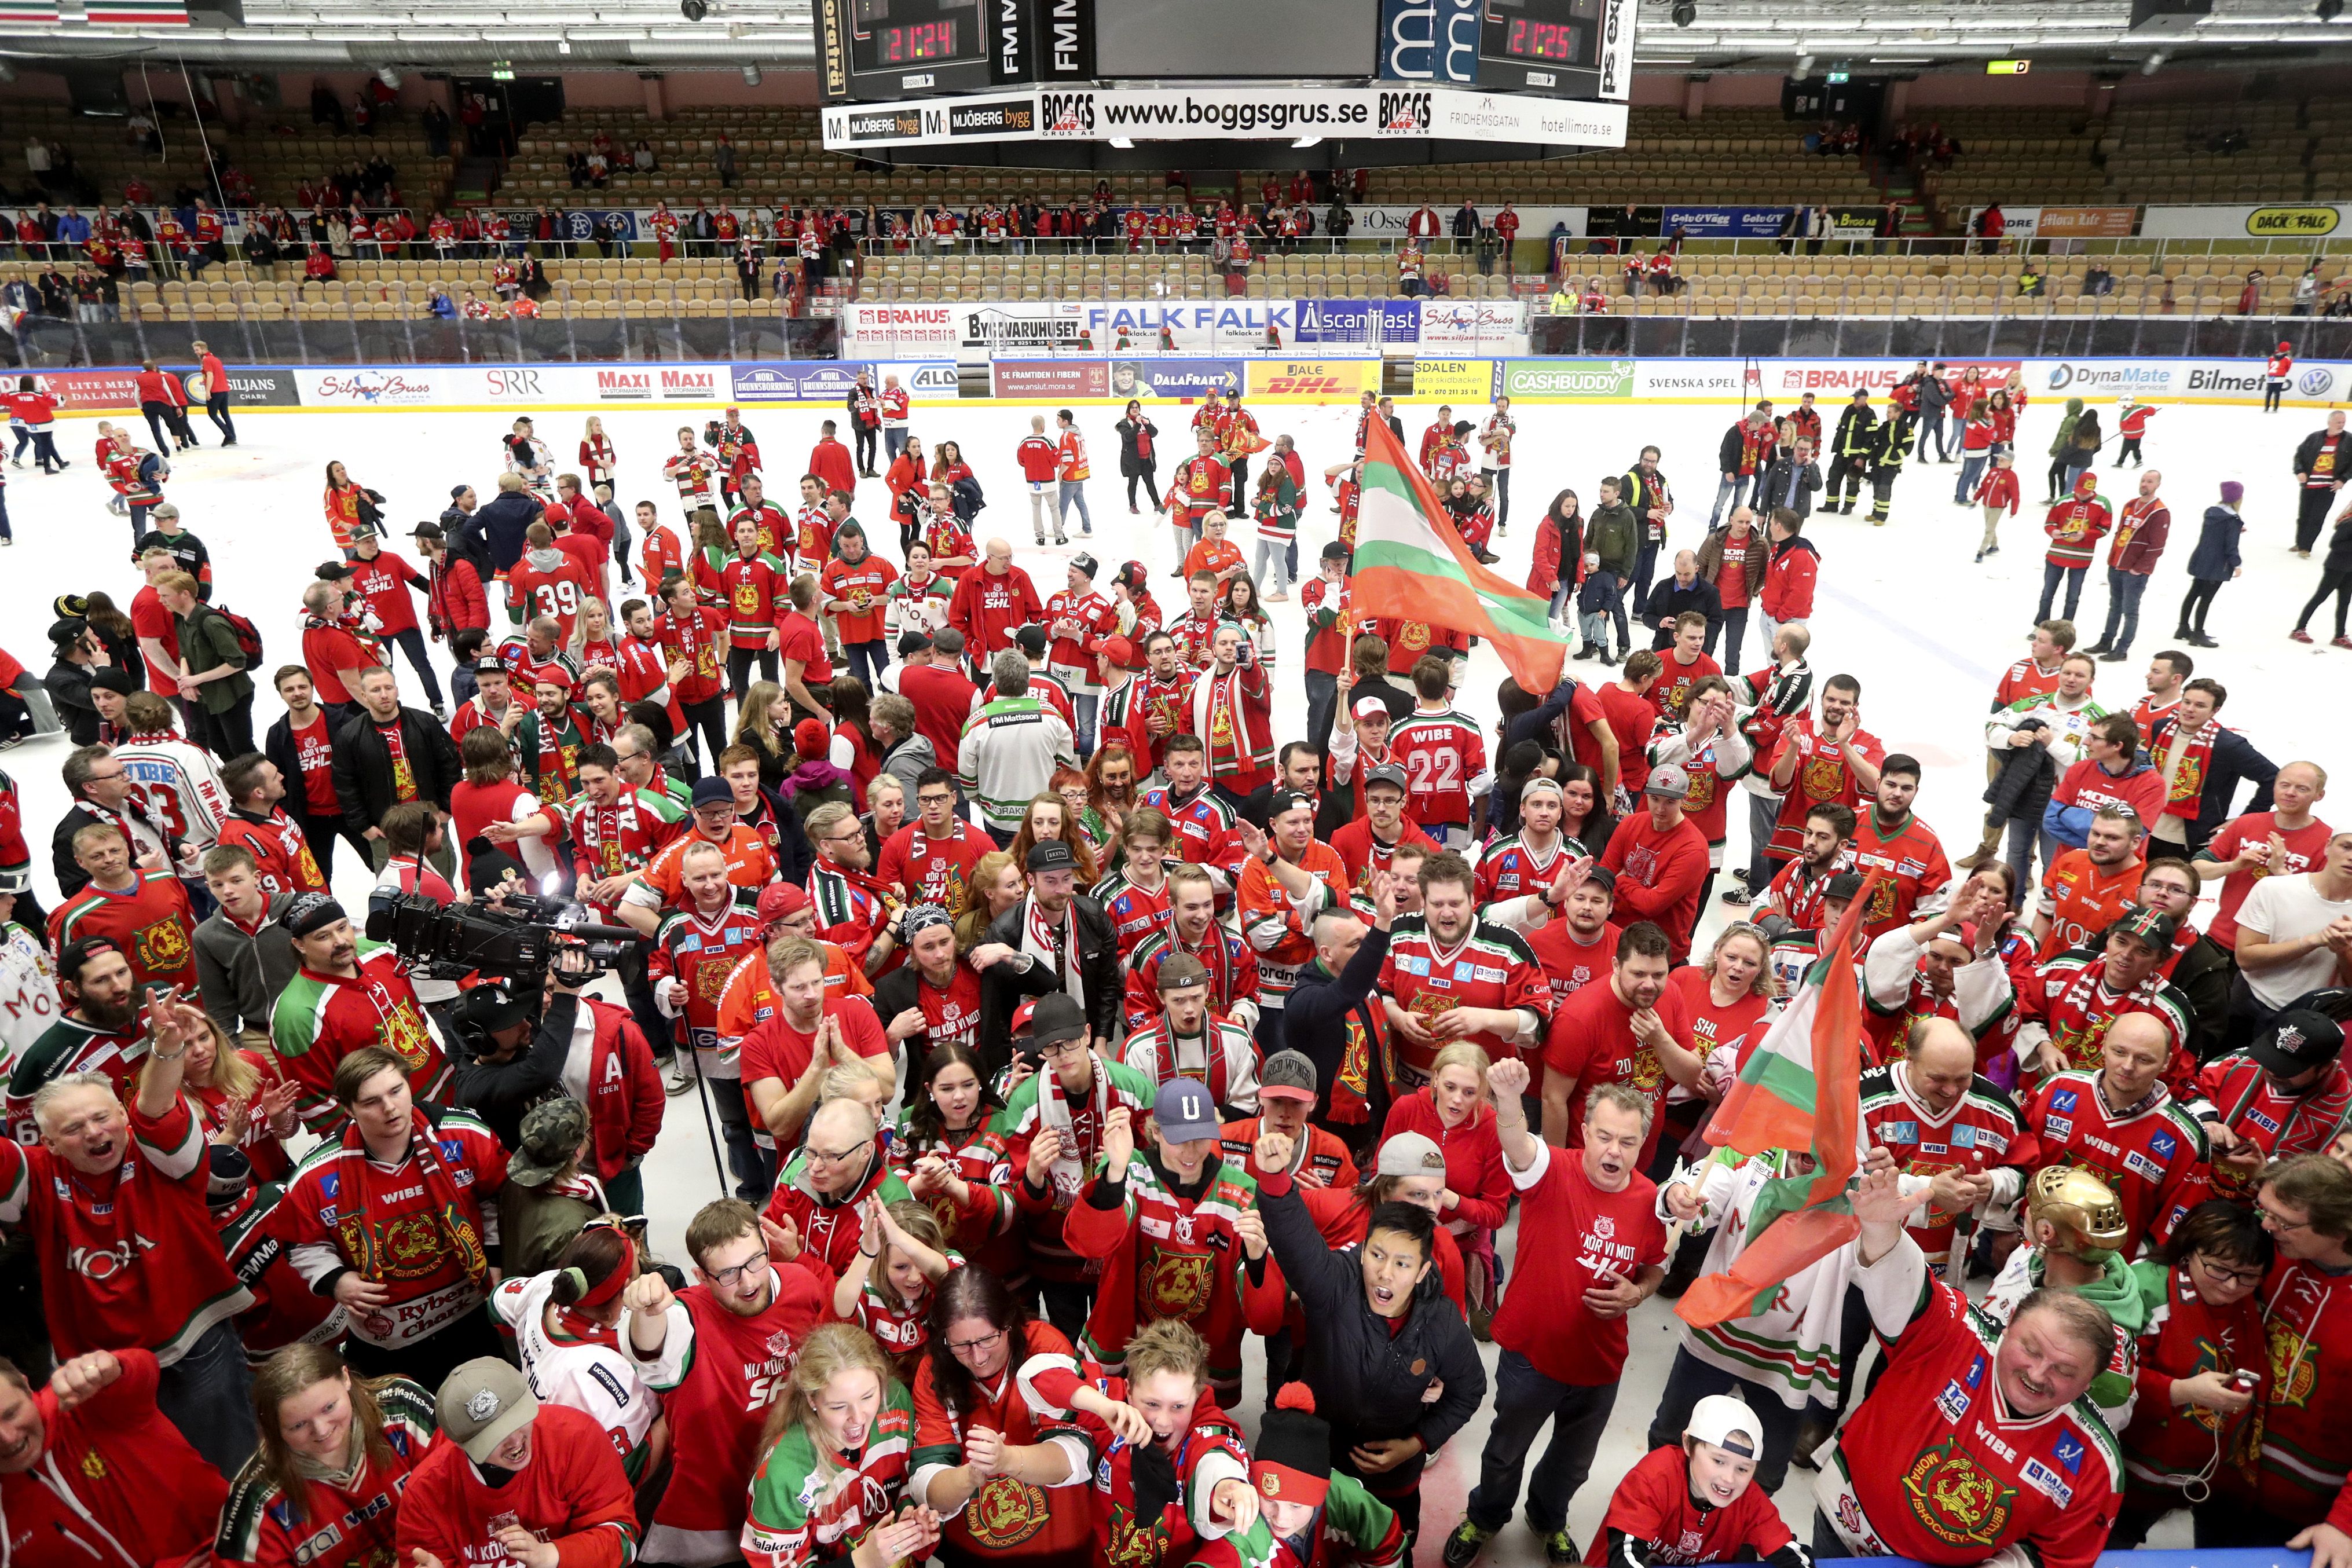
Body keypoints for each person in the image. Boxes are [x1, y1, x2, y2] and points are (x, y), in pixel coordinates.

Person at [0, 988, 260, 1477]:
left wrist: (166, 1046)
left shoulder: (160, 1153)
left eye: (102, 1117)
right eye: (74, 1129)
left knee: (234, 1470)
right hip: (103, 1366)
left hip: (194, 1343)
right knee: (155, 1476)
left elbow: (157, 1107)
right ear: (50, 1143)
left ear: (123, 1115)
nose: (95, 1133)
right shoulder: (36, 1174)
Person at [1446, 1067, 1666, 1568]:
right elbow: (1518, 1144)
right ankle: (1485, 1516)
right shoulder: (1550, 1170)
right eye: (1605, 1136)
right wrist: (1506, 1098)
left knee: (1571, 1465)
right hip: (1532, 1357)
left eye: (1627, 1142)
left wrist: (1637, 1292)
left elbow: (1655, 1267)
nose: (1614, 1151)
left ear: (1642, 1145)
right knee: (1505, 1451)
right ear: (1584, 1131)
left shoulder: (1651, 1200)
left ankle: (1548, 1521)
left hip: (1599, 1366)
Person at [1252, 1122, 1484, 1547]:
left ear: (1423, 1272)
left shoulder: (1443, 1321)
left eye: (1402, 1263)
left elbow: (1468, 1391)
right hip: (1321, 1455)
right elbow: (1295, 1239)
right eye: (1376, 1255)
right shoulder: (1336, 1283)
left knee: (1391, 1543)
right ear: (1362, 1253)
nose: (1384, 1271)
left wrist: (1416, 1444)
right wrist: (1274, 1178)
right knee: (1313, 1541)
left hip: (1394, 1476)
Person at [624, 1198, 830, 1566]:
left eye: (755, 1261)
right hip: (713, 1529)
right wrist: (648, 1311)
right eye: (729, 1273)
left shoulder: (803, 1285)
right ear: (702, 1276)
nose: (749, 1282)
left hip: (795, 1502)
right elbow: (650, 1347)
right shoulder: (686, 1317)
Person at [394, 1357, 640, 1568]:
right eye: (494, 1437)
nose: (515, 1441)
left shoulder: (576, 1436)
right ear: (461, 1444)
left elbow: (623, 1541)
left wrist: (551, 1555)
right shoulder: (425, 1494)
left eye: (517, 1420)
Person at [0, 1347, 230, 1566]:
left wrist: (112, 1367)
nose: (8, 1438)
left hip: (236, 1550)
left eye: (11, 1414)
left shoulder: (82, 1401)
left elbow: (141, 1371)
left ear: (27, 1388)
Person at [216, 1344, 438, 1568]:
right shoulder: (255, 1501)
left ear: (345, 1378)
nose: (321, 1431)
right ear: (271, 1429)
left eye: (329, 1407)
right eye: (299, 1425)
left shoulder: (404, 1410)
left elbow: (465, 1488)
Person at [741, 1322, 940, 1568]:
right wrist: (861, 1562)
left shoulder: (896, 1401)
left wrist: (913, 1522)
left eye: (868, 1397)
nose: (858, 1418)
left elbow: (908, 1483)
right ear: (811, 1399)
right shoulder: (783, 1473)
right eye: (838, 1406)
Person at [1596, 1397, 1810, 1568]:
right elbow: (1623, 1557)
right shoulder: (1654, 1478)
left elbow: (1790, 1553)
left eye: (1743, 1469)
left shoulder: (1748, 1500)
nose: (1729, 1479)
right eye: (1718, 1461)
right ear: (1688, 1445)